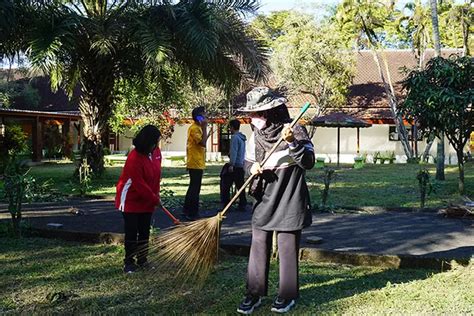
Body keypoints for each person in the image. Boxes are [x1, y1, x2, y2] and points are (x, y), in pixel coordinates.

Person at [236, 87, 315, 314]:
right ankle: (254, 293)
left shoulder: (295, 130)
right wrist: (253, 169)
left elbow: (308, 162)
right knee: (258, 245)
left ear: (272, 112)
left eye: (259, 113)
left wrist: (292, 143)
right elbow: (246, 166)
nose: (255, 119)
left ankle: (287, 295)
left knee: (287, 248)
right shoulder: (255, 138)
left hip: (290, 197)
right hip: (264, 200)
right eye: (253, 114)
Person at [115, 125, 162, 274]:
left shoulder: (156, 153)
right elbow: (139, 184)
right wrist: (154, 199)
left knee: (144, 231)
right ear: (146, 141)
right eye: (154, 142)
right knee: (132, 231)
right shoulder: (134, 158)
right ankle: (129, 263)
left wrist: (156, 196)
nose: (156, 145)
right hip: (130, 199)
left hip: (147, 199)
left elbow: (156, 177)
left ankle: (143, 260)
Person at [182, 106, 208, 220]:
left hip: (198, 161)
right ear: (198, 117)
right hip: (195, 162)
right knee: (195, 188)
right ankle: (192, 212)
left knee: (193, 186)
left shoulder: (198, 127)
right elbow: (203, 143)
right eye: (203, 115)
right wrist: (205, 128)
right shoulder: (195, 128)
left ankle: (187, 209)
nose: (205, 117)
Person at [220, 119, 247, 211]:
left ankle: (226, 204)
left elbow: (234, 152)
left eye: (229, 127)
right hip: (241, 164)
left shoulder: (235, 138)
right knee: (240, 185)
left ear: (232, 127)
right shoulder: (242, 138)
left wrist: (231, 164)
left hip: (235, 165)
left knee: (225, 184)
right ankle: (242, 203)